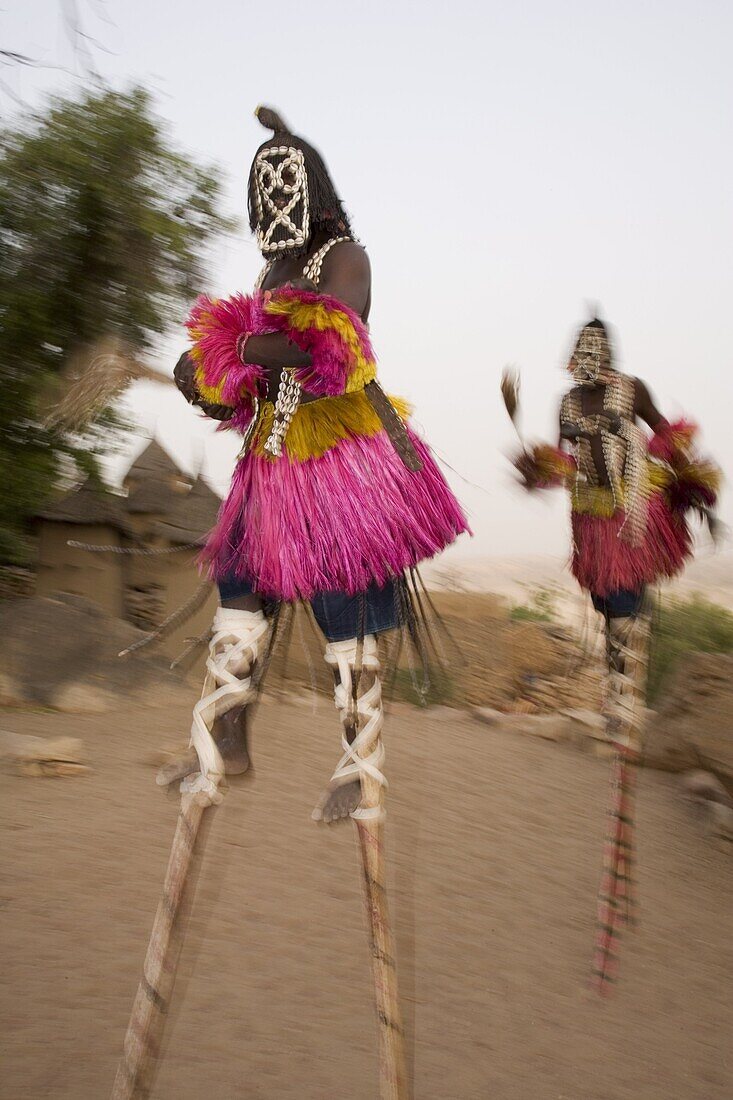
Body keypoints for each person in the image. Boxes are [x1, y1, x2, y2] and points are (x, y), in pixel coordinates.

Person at [164, 106, 469, 824]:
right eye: (263, 188)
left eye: (285, 184)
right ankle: (226, 738)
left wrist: (237, 350)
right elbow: (255, 375)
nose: (274, 200)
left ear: (310, 189)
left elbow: (333, 348)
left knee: (343, 602)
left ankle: (359, 766)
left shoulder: (345, 258)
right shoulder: (272, 268)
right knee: (239, 578)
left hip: (336, 457)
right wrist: (206, 376)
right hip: (271, 457)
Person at [509, 315, 720, 985]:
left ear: (610, 354)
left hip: (632, 511)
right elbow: (561, 457)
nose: (589, 361)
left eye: (597, 351)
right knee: (604, 601)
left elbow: (664, 436)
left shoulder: (632, 389)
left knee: (627, 601)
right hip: (590, 517)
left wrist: (689, 485)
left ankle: (624, 688)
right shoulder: (567, 404)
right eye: (582, 351)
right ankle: (616, 674)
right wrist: (537, 467)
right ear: (572, 357)